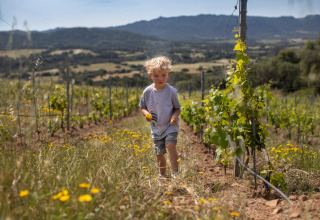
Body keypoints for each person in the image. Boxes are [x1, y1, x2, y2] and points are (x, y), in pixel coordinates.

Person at [139, 56, 181, 178]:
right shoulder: (147, 92)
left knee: (170, 145)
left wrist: (174, 117)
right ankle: (162, 175)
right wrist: (146, 114)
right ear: (150, 76)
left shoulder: (171, 91)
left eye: (163, 75)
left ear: (168, 74)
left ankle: (175, 173)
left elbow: (177, 108)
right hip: (156, 128)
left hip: (170, 126)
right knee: (159, 153)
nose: (160, 78)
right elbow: (142, 107)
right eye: (156, 75)